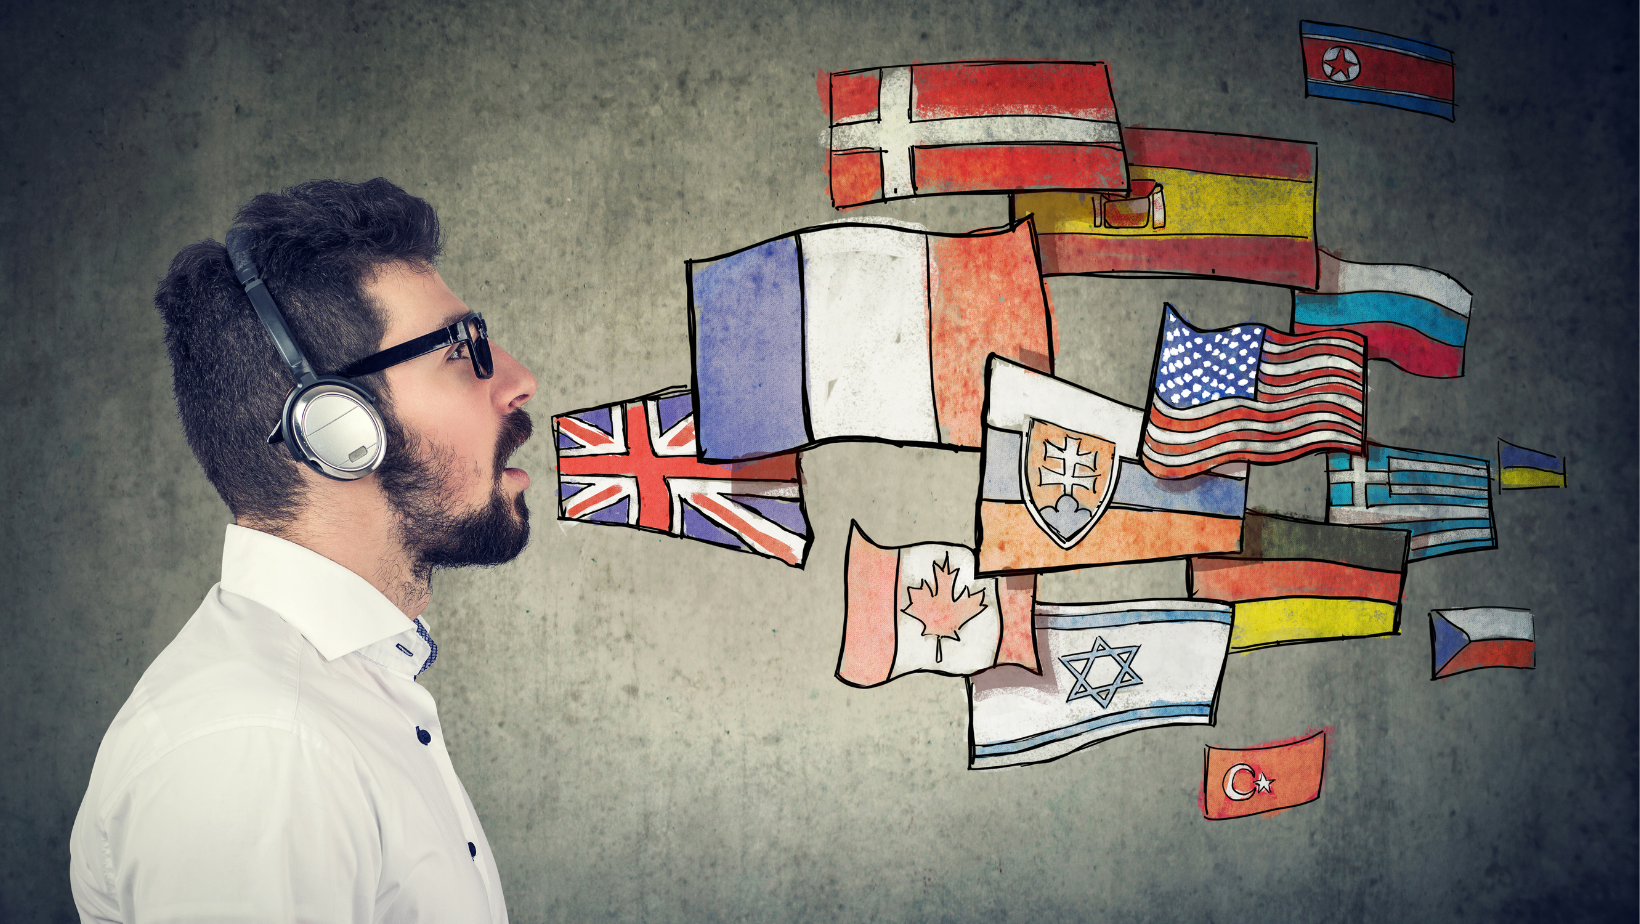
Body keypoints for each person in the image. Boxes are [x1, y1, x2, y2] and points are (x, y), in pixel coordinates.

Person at [68, 178, 535, 923]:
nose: (519, 381)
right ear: (336, 428)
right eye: (459, 351)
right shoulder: (261, 753)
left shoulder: (337, 700)